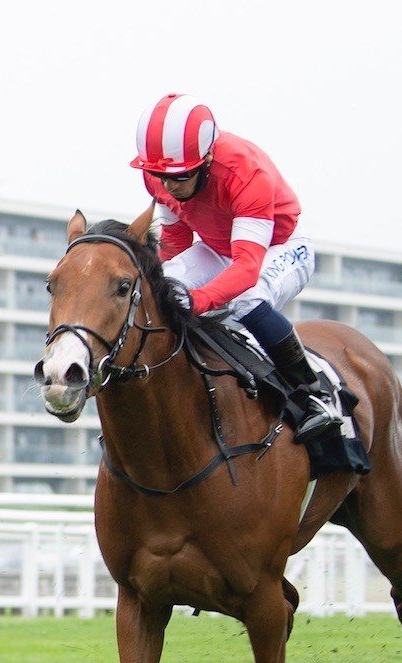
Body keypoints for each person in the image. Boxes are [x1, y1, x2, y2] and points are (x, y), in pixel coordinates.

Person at [132, 93, 338, 439]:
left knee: (247, 298)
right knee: (159, 286)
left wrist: (197, 302)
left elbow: (245, 268)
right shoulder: (160, 176)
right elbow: (177, 239)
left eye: (179, 177)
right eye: (158, 175)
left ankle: (314, 395)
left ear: (208, 157)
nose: (167, 186)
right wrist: (171, 297)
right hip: (217, 248)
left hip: (280, 246)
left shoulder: (245, 173)